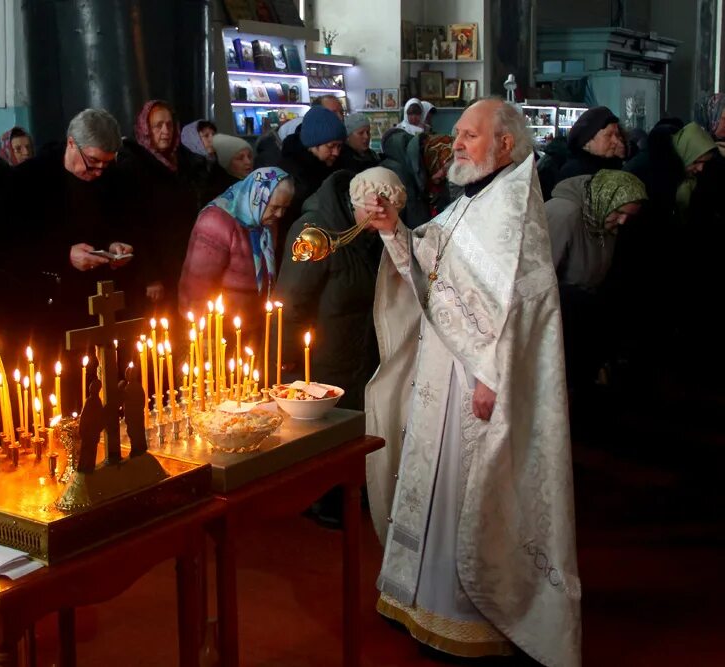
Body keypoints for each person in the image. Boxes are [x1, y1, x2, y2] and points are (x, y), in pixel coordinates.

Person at [365, 99, 581, 666]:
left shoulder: (514, 208)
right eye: (455, 134)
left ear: (504, 145)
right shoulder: (473, 200)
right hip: (445, 368)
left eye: (469, 135)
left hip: (478, 382)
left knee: (466, 489)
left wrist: (493, 377)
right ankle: (416, 598)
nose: (456, 143)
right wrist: (393, 230)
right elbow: (428, 262)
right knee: (434, 484)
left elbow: (521, 304)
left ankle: (465, 616)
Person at [0, 108, 136, 348]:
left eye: (106, 164)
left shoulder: (111, 178)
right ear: (71, 143)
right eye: (93, 161)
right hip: (42, 310)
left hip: (93, 302)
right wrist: (64, 256)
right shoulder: (26, 180)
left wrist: (114, 245)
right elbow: (5, 247)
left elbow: (116, 222)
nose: (99, 171)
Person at [276, 166, 403, 410]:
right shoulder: (314, 233)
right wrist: (284, 357)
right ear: (366, 205)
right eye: (379, 217)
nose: (383, 225)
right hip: (317, 366)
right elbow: (291, 301)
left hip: (360, 362)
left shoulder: (376, 236)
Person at [546, 170, 647, 403]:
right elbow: (539, 275)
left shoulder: (603, 216)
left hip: (583, 315)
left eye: (628, 216)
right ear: (605, 198)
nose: (622, 222)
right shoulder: (564, 213)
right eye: (620, 212)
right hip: (561, 317)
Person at [177, 167, 293, 330]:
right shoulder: (215, 221)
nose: (280, 215)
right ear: (257, 198)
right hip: (219, 326)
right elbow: (197, 283)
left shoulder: (265, 221)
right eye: (275, 207)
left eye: (285, 208)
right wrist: (202, 330)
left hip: (255, 322)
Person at [119, 99, 202, 310]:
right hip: (155, 270)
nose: (165, 131)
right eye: (158, 126)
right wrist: (150, 276)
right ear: (145, 129)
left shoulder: (184, 163)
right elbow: (134, 226)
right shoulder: (134, 167)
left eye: (169, 125)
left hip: (184, 262)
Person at [276, 105, 346, 242]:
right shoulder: (290, 175)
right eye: (331, 146)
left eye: (339, 146)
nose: (336, 152)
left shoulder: (337, 165)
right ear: (313, 144)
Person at [0, 126, 34, 229]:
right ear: (7, 152)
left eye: (28, 147)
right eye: (18, 149)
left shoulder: (36, 177)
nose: (26, 153)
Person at [558, 106, 625, 181]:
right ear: (587, 141)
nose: (616, 141)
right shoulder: (574, 175)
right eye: (608, 135)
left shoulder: (615, 166)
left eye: (616, 135)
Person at [201, 133, 253, 205]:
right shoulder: (218, 196)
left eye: (249, 156)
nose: (248, 162)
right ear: (226, 163)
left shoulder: (256, 183)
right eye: (240, 158)